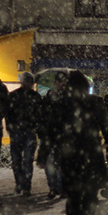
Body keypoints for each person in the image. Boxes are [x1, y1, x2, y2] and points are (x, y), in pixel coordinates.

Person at [52, 71, 108, 215]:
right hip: (91, 158)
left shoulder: (62, 104)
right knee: (90, 199)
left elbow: (51, 130)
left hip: (71, 159)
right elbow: (107, 128)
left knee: (73, 198)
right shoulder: (95, 103)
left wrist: (47, 150)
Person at [6, 72, 42, 196]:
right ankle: (23, 185)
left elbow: (9, 114)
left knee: (21, 160)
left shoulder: (14, 96)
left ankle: (22, 185)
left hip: (22, 131)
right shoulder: (34, 97)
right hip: (25, 131)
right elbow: (38, 115)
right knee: (23, 160)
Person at [36, 71, 67, 199]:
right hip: (52, 134)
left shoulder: (67, 98)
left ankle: (59, 187)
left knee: (60, 163)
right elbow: (43, 116)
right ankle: (54, 187)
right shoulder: (50, 98)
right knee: (51, 163)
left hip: (61, 135)